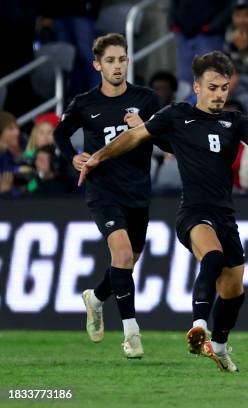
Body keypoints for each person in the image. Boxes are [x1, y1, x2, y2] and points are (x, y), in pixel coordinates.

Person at [78, 51, 248, 372]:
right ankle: (198, 325)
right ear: (197, 87)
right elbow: (135, 136)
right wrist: (98, 157)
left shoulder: (235, 121)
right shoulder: (176, 115)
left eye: (224, 88)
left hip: (225, 216)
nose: (219, 95)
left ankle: (219, 344)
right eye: (212, 87)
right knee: (212, 257)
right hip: (193, 213)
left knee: (234, 290)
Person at [53, 33, 167, 359]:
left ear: (128, 61)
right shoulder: (85, 103)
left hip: (138, 192)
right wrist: (71, 156)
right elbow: (60, 133)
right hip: (103, 190)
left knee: (125, 263)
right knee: (123, 254)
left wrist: (146, 126)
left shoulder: (146, 99)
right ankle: (131, 334)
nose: (117, 66)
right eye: (110, 60)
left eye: (122, 59)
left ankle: (96, 299)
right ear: (97, 64)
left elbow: (167, 142)